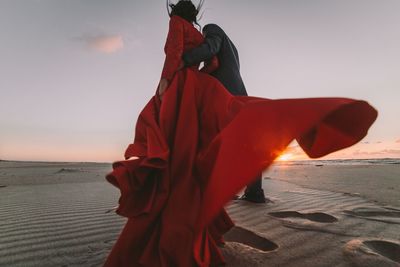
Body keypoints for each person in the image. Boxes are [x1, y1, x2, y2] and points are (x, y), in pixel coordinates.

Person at [104, 1, 377, 266]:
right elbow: (213, 58)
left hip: (220, 92)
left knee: (217, 140)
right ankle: (252, 192)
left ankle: (226, 190)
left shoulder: (210, 30)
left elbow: (204, 49)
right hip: (228, 89)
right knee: (243, 140)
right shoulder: (217, 38)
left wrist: (175, 72)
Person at [181, 23, 266, 203]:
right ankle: (254, 192)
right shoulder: (233, 48)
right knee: (246, 145)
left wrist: (184, 59)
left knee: (211, 141)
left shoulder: (211, 29)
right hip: (238, 94)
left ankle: (212, 190)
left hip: (225, 96)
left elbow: (210, 48)